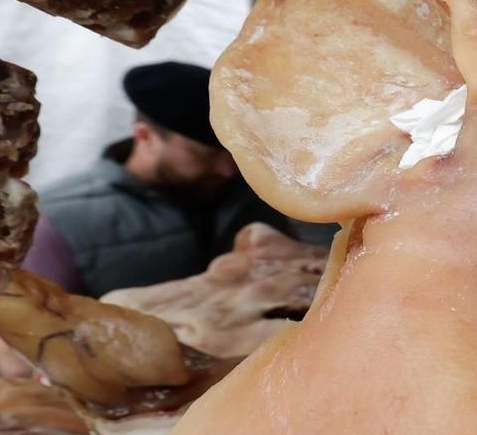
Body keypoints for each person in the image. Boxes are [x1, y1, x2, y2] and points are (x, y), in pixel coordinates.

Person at [23, 62, 296, 297]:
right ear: (145, 136)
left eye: (235, 155)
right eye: (206, 154)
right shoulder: (56, 220)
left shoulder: (248, 196)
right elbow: (24, 337)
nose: (227, 170)